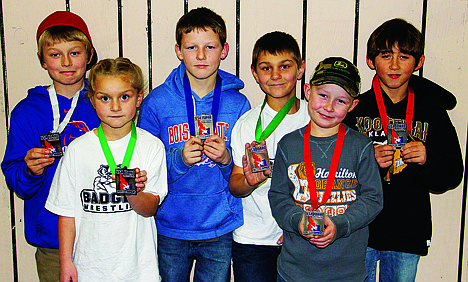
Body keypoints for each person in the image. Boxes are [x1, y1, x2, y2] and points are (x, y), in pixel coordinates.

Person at [343, 18, 464, 281]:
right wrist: (367, 161)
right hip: (358, 229)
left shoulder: (432, 112)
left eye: (405, 56)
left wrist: (427, 160)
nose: (395, 65)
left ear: (418, 62)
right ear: (370, 60)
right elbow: (331, 169)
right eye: (386, 55)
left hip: (408, 231)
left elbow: (454, 173)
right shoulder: (354, 109)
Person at [137, 7, 250, 282]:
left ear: (223, 50)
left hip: (218, 227)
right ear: (178, 50)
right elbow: (144, 165)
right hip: (170, 226)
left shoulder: (238, 104)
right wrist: (178, 159)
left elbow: (243, 167)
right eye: (192, 47)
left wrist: (226, 159)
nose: (201, 56)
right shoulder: (157, 102)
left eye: (210, 47)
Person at [45, 57, 167, 281]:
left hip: (138, 271)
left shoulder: (151, 146)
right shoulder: (77, 150)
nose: (115, 106)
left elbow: (150, 208)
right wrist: (65, 263)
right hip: (89, 270)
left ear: (139, 98)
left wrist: (134, 192)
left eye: (124, 96)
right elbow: (66, 213)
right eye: (105, 98)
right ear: (92, 100)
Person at [1, 11, 100, 281]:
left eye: (75, 53)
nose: (66, 62)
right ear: (42, 60)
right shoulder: (27, 112)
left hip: (104, 235)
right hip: (53, 241)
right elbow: (15, 179)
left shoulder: (106, 102)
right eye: (55, 54)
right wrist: (30, 170)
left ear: (89, 56)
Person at [269, 57, 383, 282]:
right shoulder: (288, 144)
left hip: (347, 274)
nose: (329, 107)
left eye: (341, 101)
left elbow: (373, 199)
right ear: (308, 91)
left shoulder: (361, 146)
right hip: (294, 272)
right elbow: (278, 196)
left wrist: (340, 225)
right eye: (323, 95)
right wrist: (296, 220)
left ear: (353, 106)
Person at [229, 31, 308, 282]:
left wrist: (300, 227)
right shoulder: (246, 124)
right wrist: (250, 181)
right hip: (253, 241)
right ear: (255, 73)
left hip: (303, 236)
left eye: (284, 66)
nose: (275, 75)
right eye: (266, 68)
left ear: (300, 68)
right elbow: (235, 184)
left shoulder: (316, 119)